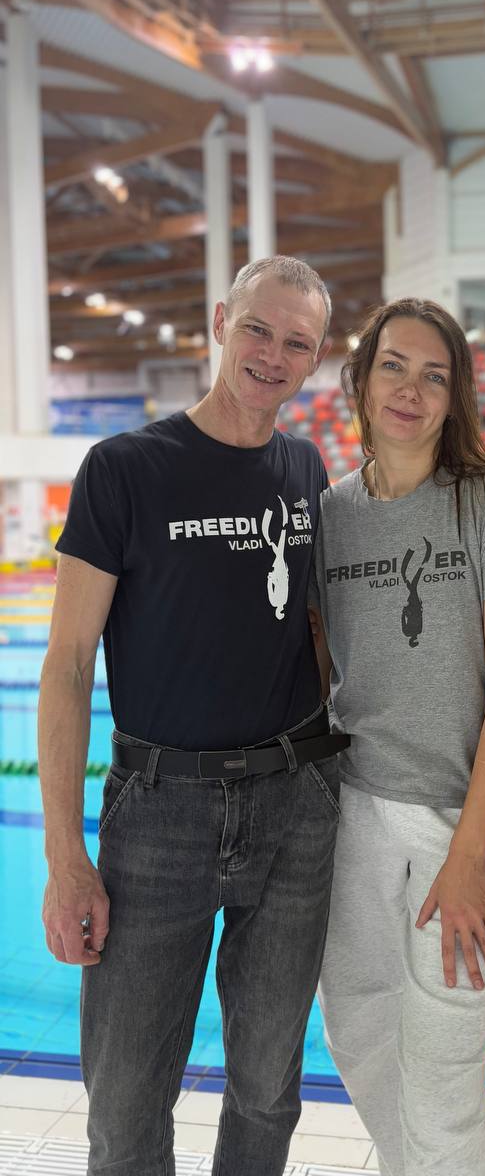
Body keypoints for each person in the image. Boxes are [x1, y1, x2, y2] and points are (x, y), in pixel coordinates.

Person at [38, 256, 346, 1176]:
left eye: (297, 342)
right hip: (160, 814)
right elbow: (67, 666)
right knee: (126, 1100)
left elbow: (319, 629)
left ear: (316, 358)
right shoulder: (124, 470)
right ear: (220, 322)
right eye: (258, 329)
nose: (273, 355)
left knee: (268, 1089)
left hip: (295, 805)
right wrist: (65, 857)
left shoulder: (306, 465)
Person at [313, 297, 485, 1176]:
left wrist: (471, 854)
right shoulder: (329, 514)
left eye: (433, 376)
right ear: (361, 381)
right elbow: (325, 672)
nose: (410, 390)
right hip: (354, 818)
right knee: (361, 1039)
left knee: (444, 1081)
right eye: (394, 367)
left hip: (461, 823)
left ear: (455, 396)